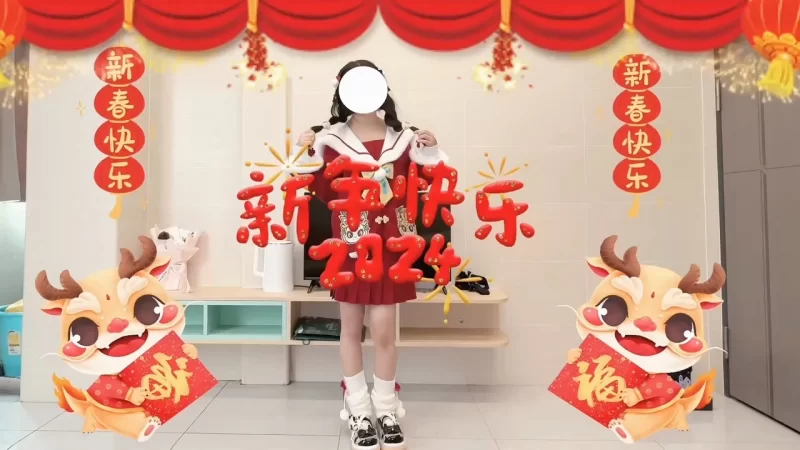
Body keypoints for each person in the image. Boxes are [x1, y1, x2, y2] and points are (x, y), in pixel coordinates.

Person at [296, 60, 447, 450]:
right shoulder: (331, 138)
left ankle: (386, 408)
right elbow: (320, 189)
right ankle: (359, 410)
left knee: (383, 329)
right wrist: (306, 150)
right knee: (350, 327)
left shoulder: (404, 136)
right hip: (351, 243)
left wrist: (431, 149)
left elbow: (428, 184)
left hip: (393, 243)